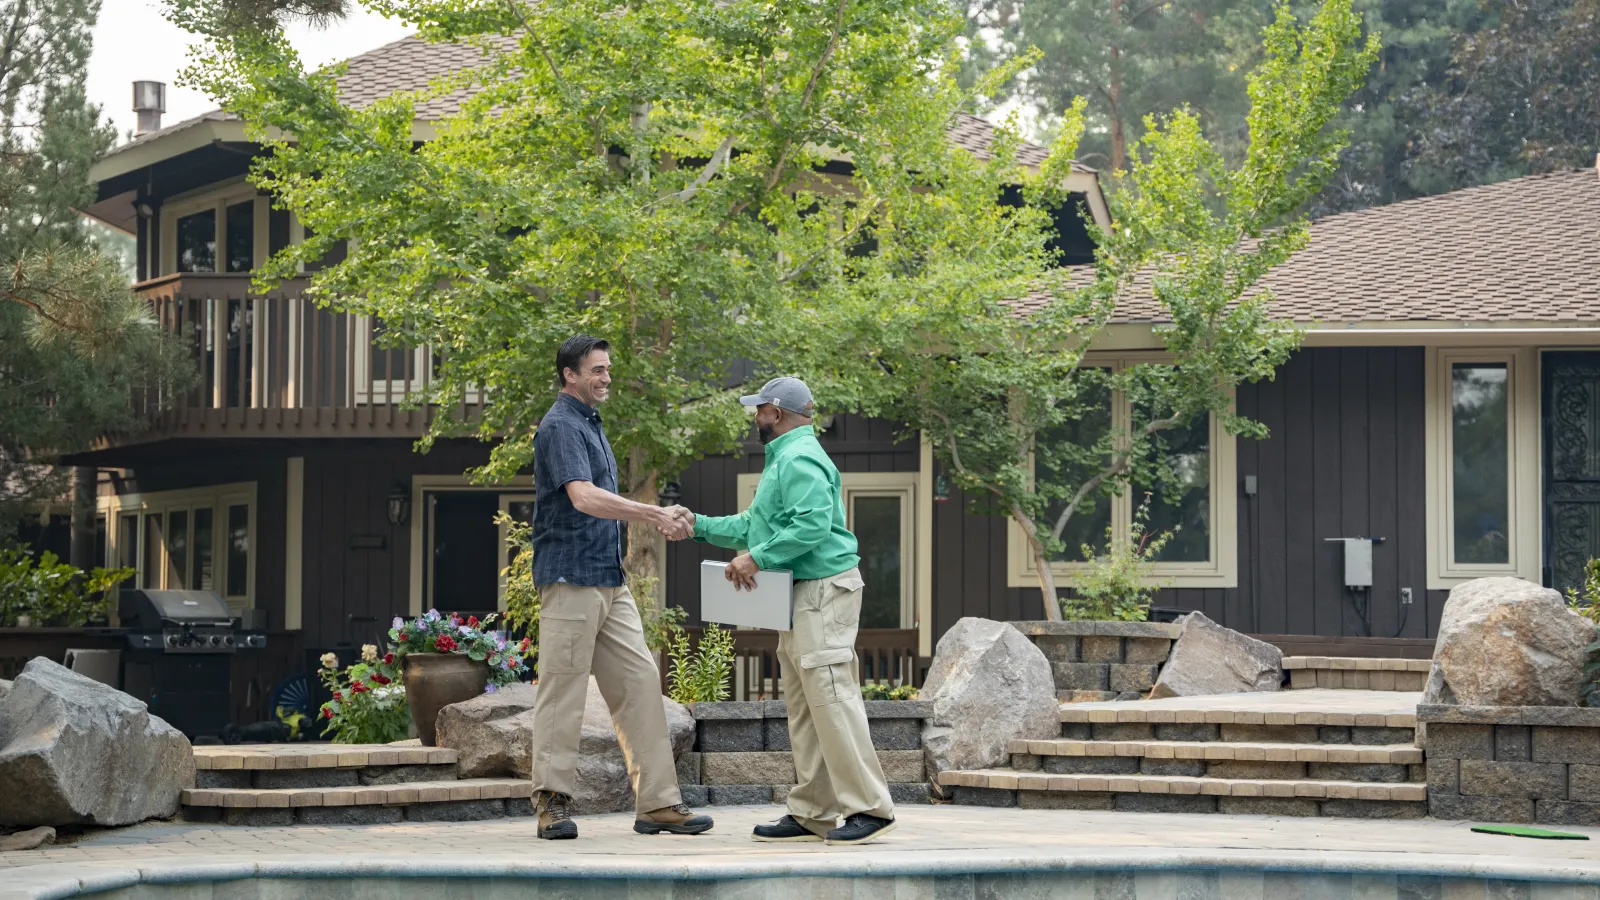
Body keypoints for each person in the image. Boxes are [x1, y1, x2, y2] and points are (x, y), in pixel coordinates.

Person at [690, 376, 897, 846]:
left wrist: (756, 558)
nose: (755, 417)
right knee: (807, 708)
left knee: (832, 699)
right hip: (802, 595)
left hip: (822, 592)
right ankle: (812, 811)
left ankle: (870, 808)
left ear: (776, 413)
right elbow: (752, 525)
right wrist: (697, 526)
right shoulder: (785, 458)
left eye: (758, 409)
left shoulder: (799, 457)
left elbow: (812, 526)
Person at [527, 334, 710, 840]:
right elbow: (584, 498)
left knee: (640, 685)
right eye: (597, 370)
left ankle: (657, 804)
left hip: (610, 578)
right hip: (570, 578)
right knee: (562, 693)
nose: (606, 378)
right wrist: (652, 513)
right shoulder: (561, 426)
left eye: (607, 370)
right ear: (570, 374)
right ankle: (552, 804)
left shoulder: (591, 425)